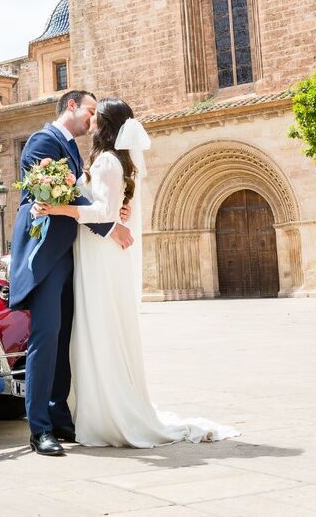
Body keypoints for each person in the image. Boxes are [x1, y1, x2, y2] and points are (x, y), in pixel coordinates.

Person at [34, 98, 239, 448]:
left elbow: (100, 211)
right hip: (97, 252)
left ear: (107, 125)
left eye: (97, 116)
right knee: (97, 325)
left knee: (100, 324)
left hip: (99, 253)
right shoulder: (112, 160)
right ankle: (98, 404)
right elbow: (109, 206)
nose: (91, 119)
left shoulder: (108, 161)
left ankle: (109, 408)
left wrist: (59, 207)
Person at [8, 90, 133, 457]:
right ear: (71, 106)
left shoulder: (73, 150)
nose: (93, 120)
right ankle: (39, 429)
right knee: (45, 339)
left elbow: (85, 196)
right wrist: (110, 226)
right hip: (45, 255)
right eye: (90, 111)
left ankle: (59, 415)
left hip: (70, 256)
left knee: (64, 338)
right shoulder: (41, 141)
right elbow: (65, 199)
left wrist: (113, 211)